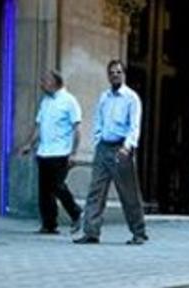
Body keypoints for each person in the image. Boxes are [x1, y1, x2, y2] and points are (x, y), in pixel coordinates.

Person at [75, 60, 148, 245]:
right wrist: (98, 140)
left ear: (124, 74)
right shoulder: (104, 97)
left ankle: (139, 232)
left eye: (118, 72)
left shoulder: (131, 98)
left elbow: (134, 125)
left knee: (128, 193)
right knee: (95, 191)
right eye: (112, 72)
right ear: (108, 76)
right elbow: (98, 120)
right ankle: (91, 232)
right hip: (103, 147)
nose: (115, 75)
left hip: (121, 149)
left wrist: (128, 146)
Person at [21, 70, 82, 235]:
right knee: (44, 192)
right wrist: (29, 145)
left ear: (55, 82)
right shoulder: (45, 102)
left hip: (61, 153)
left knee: (58, 186)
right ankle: (49, 224)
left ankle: (76, 212)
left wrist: (74, 153)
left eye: (45, 80)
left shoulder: (69, 101)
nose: (41, 83)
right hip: (44, 153)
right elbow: (39, 127)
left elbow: (77, 128)